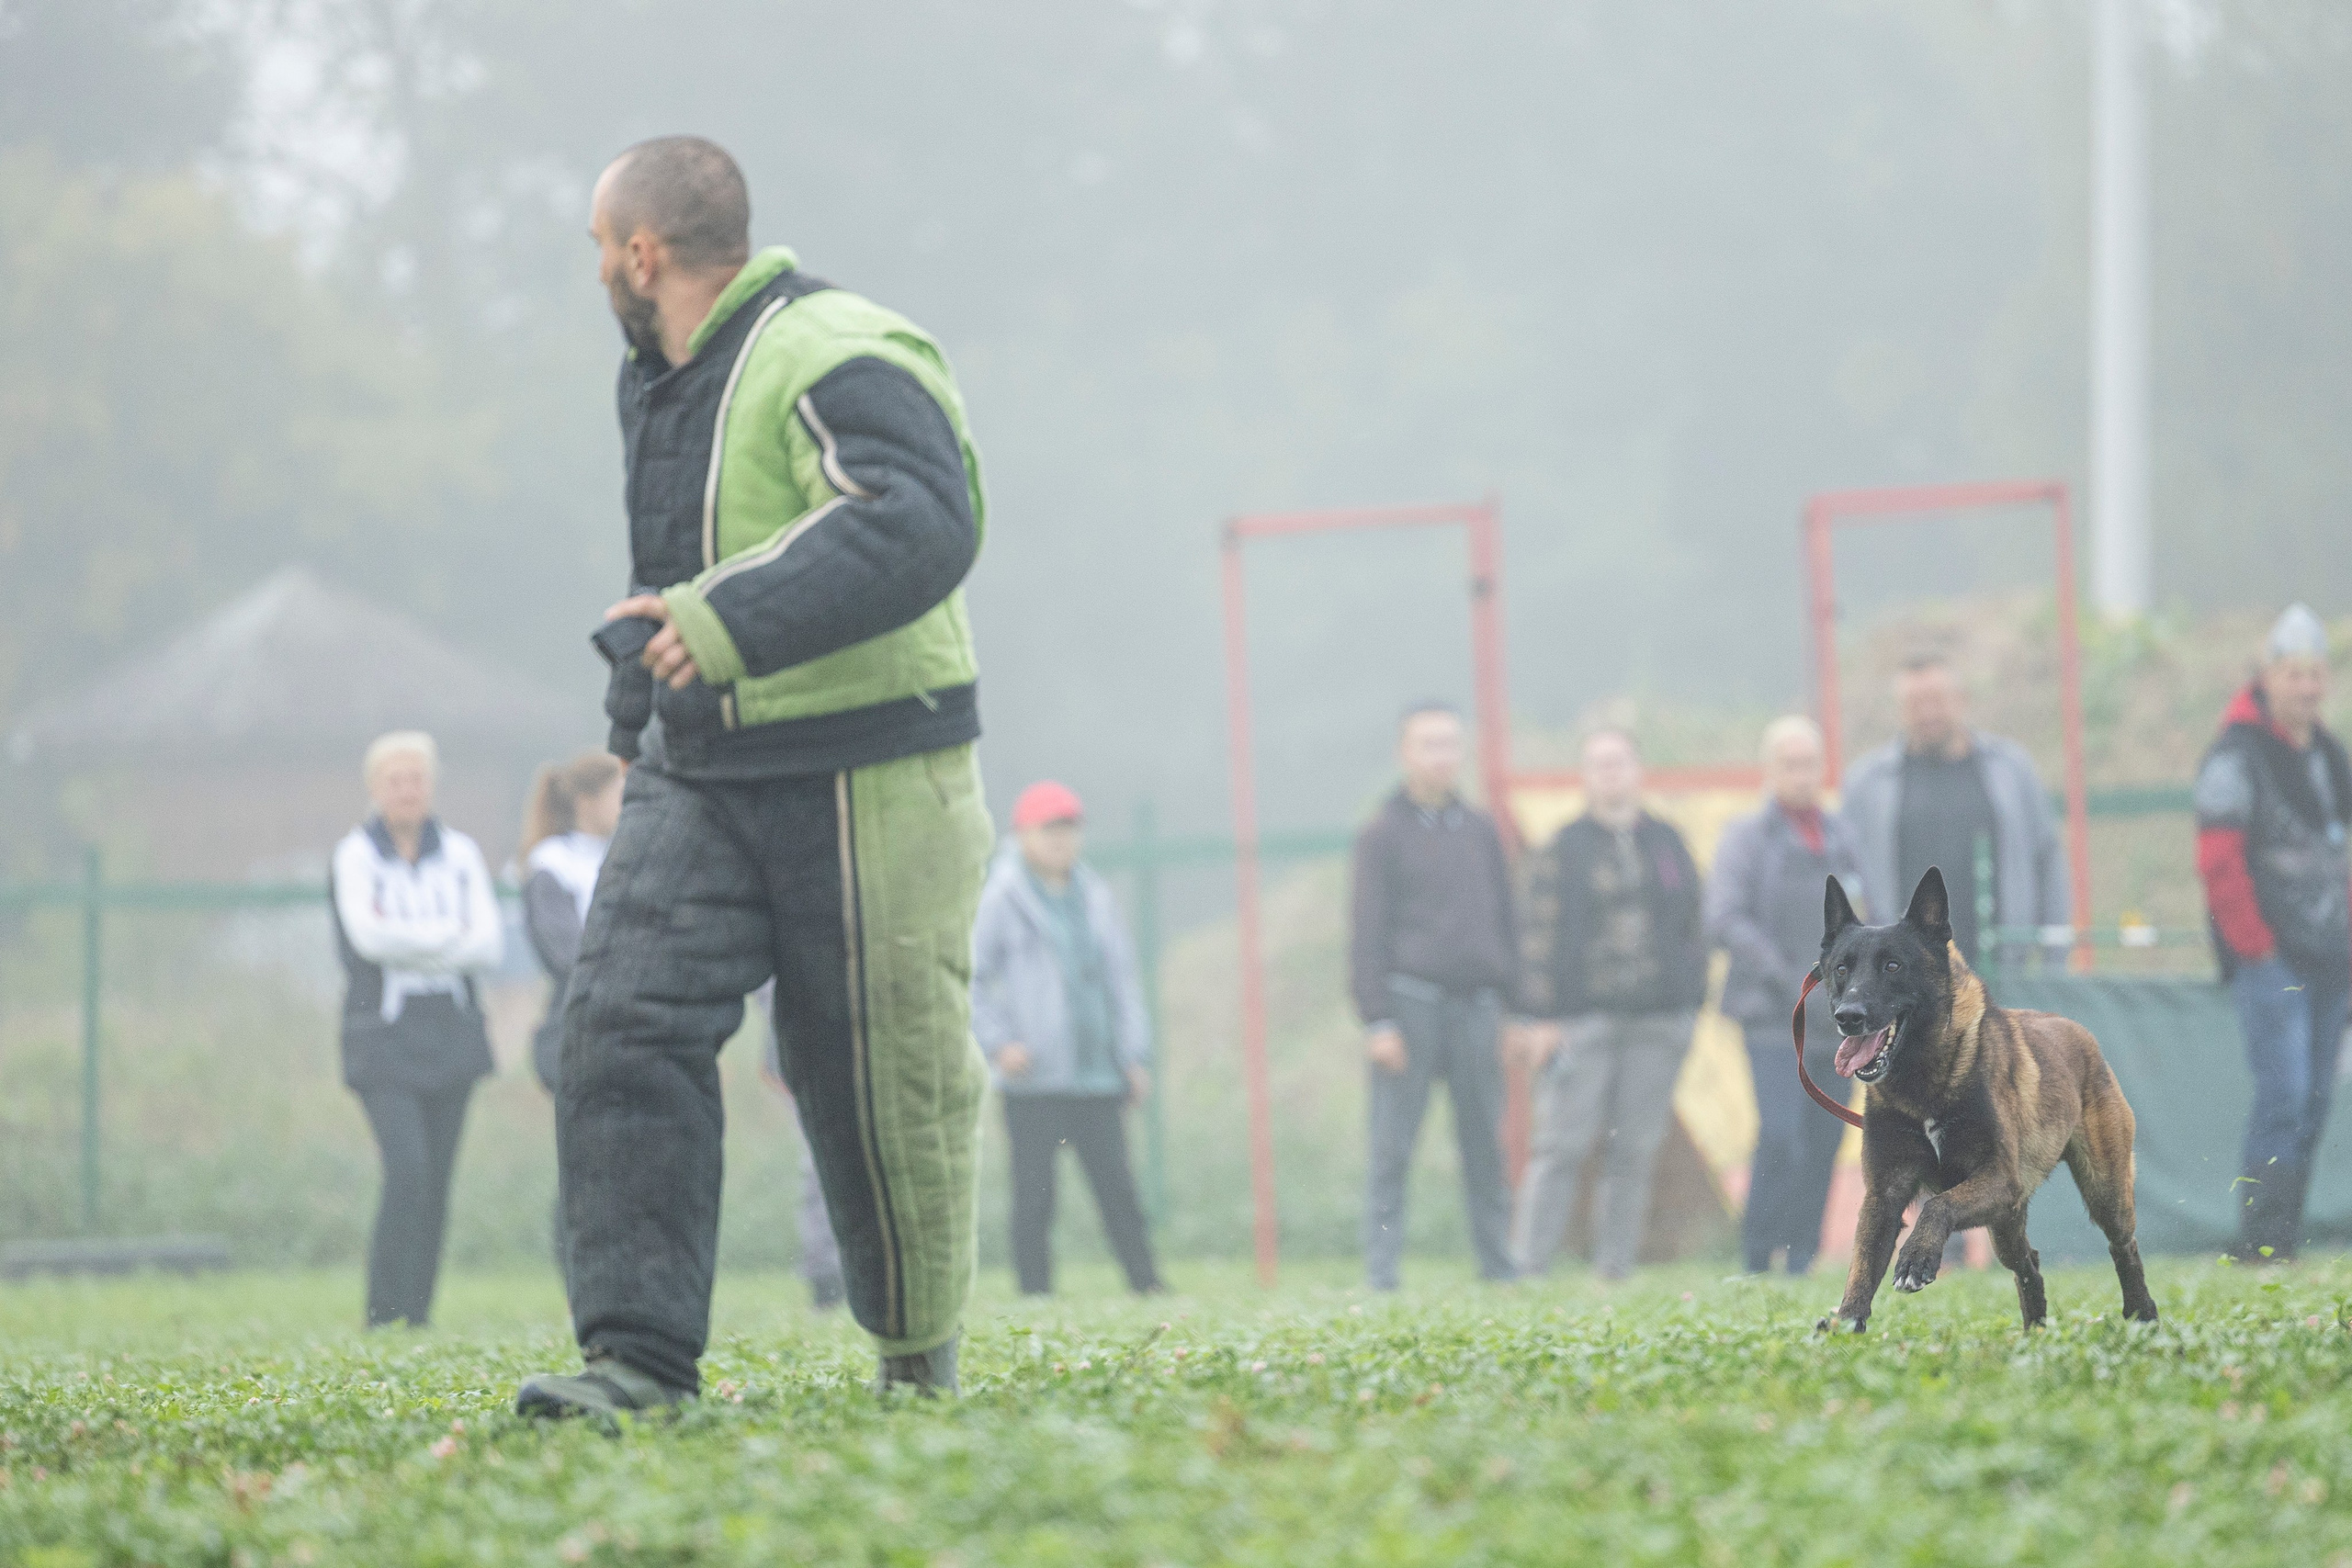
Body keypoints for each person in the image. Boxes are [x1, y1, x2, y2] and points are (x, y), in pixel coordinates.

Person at [518, 135, 994, 1421]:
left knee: (876, 1073)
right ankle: (638, 1362)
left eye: (596, 247)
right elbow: (673, 570)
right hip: (700, 765)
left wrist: (724, 619)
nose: (594, 271)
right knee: (619, 1021)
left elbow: (918, 516)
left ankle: (916, 1358)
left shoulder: (837, 345)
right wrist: (638, 718)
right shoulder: (664, 378)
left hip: (868, 760)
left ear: (641, 254)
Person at [1514, 728, 1706, 1280]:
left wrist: (1690, 1002)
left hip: (1659, 1021)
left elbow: (1695, 923)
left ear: (1638, 770)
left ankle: (1614, 1269)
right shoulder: (1563, 848)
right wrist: (1540, 1017)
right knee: (1561, 1145)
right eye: (1599, 764)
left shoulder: (1667, 842)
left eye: (1620, 762)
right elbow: (1535, 937)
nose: (1611, 773)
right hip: (1581, 1021)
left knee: (1634, 1149)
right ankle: (1526, 1267)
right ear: (1585, 776)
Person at [329, 731, 503, 1328]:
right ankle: (383, 1313)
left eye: (417, 779)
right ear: (375, 788)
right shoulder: (355, 856)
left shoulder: (462, 854)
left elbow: (487, 944)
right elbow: (368, 938)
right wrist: (447, 940)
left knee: (438, 1180)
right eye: (395, 780)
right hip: (382, 1038)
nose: (407, 790)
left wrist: (415, 945)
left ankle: (418, 1315)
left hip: (452, 1032)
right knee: (407, 1170)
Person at [2195, 604, 2351, 1262]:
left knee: (2314, 1099)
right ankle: (2259, 1241)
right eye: (2294, 674)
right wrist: (2255, 946)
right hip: (2271, 959)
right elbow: (2219, 861)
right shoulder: (2236, 757)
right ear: (2267, 677)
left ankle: (2284, 1238)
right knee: (2284, 1095)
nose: (2307, 688)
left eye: (2316, 674)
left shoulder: (2329, 757)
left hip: (2331, 957)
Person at [1348, 702, 1521, 1292]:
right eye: (1428, 744)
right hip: (1408, 1005)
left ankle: (1498, 1267)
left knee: (1485, 1145)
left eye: (1450, 743)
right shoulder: (1381, 834)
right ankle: (1381, 1274)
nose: (1441, 756)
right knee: (1392, 1148)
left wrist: (1518, 1008)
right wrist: (1377, 1020)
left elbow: (1507, 920)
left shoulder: (1481, 830)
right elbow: (1366, 934)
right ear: (1405, 754)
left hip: (1478, 1006)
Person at [970, 780, 1164, 1296]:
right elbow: (969, 978)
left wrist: (1133, 1055)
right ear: (1023, 835)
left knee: (1118, 1188)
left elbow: (1122, 979)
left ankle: (1146, 1283)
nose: (1061, 840)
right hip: (1033, 1080)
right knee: (1035, 1194)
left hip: (1097, 1074)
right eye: (1049, 829)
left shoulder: (1095, 895)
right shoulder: (1003, 897)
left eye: (1069, 829)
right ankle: (1035, 1293)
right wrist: (999, 1043)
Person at [1705, 716, 1867, 1275]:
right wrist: (1789, 976)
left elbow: (1868, 914)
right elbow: (1724, 917)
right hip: (1772, 1014)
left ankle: (1802, 1257)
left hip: (1841, 1017)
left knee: (1825, 1136)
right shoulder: (1745, 838)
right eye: (1789, 764)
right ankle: (1756, 1255)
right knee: (1781, 1134)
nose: (1801, 774)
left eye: (1809, 763)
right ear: (1769, 770)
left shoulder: (1844, 837)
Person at [1838, 653, 2070, 969]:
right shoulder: (1867, 784)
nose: (1928, 713)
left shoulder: (2011, 771)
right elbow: (1844, 874)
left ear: (1962, 699)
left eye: (1937, 700)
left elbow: (2047, 860)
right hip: (1905, 974)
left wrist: (2054, 957)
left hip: (2001, 966)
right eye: (1915, 704)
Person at [518, 752, 627, 1099]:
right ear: (585, 802)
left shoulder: (627, 854)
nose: (627, 806)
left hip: (632, 1019)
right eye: (618, 795)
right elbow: (567, 955)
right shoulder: (552, 862)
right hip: (580, 1023)